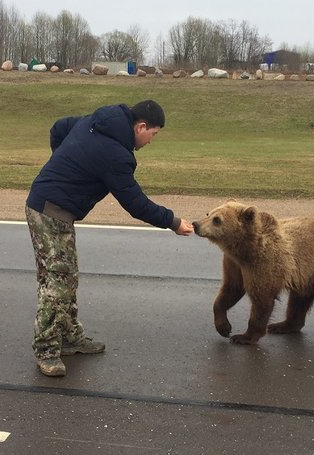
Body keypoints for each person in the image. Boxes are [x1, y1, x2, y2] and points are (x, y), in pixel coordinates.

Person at [25, 100, 194, 377]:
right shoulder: (116, 154)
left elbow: (59, 128)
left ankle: (69, 337)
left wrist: (63, 161)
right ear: (140, 127)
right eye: (154, 134)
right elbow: (135, 203)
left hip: (48, 206)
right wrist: (173, 222)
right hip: (51, 211)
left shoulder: (97, 120)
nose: (152, 141)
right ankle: (46, 350)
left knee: (65, 278)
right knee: (58, 284)